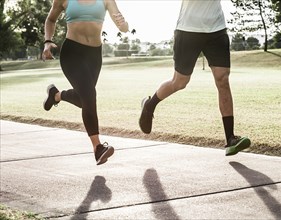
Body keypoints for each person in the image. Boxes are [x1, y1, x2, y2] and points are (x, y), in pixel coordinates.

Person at [139, 0, 251, 156]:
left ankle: (230, 139)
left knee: (222, 80)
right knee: (180, 82)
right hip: (188, 29)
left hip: (217, 29)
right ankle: (150, 105)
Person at [42, 0, 129, 165]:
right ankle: (98, 148)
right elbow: (50, 19)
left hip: (94, 55)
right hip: (72, 52)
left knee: (85, 99)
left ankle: (56, 95)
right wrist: (47, 41)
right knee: (89, 96)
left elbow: (123, 28)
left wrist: (123, 24)